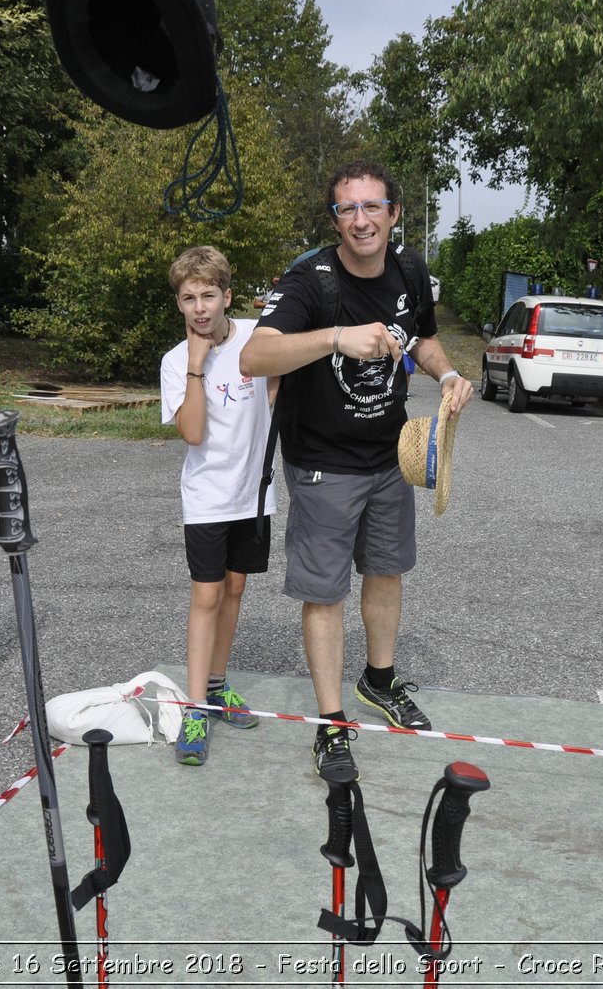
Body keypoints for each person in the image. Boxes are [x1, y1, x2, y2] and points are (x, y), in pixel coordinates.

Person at [240, 159, 473, 781]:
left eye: (373, 207)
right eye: (349, 208)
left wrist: (446, 373)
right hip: (322, 462)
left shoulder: (410, 269)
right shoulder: (309, 280)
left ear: (394, 214)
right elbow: (255, 354)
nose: (361, 220)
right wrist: (334, 337)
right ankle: (332, 723)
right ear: (335, 218)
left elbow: (420, 337)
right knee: (324, 593)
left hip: (389, 455)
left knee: (387, 570)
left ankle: (379, 681)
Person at [159, 246, 277, 767]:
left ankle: (218, 684)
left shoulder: (259, 338)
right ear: (179, 304)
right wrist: (196, 365)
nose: (200, 307)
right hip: (207, 496)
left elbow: (283, 386)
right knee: (205, 594)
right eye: (189, 298)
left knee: (235, 587)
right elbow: (193, 432)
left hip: (254, 494)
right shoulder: (174, 361)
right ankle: (194, 708)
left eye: (209, 295)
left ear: (228, 296)